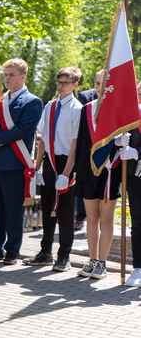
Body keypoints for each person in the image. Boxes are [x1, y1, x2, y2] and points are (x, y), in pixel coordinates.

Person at [0, 58, 43, 264]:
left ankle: (12, 251)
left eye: (12, 75)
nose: (7, 79)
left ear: (23, 76)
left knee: (13, 209)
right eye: (5, 75)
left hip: (13, 162)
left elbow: (23, 130)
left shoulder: (32, 101)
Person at [23, 67, 82, 272]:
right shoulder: (50, 105)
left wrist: (66, 174)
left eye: (65, 82)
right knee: (48, 209)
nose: (60, 86)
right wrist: (37, 167)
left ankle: (64, 256)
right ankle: (45, 252)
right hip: (50, 162)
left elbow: (75, 144)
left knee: (65, 212)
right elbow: (43, 140)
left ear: (75, 85)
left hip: (66, 163)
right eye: (59, 82)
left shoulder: (77, 108)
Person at [74, 69, 120, 280]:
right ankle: (92, 260)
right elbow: (82, 140)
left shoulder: (120, 111)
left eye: (105, 83)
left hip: (111, 170)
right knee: (91, 217)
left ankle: (103, 263)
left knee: (106, 219)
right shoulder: (86, 109)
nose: (100, 87)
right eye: (97, 83)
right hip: (87, 169)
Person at [75, 76, 100, 231]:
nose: (99, 87)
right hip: (87, 153)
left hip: (109, 162)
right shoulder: (86, 99)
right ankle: (79, 217)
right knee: (84, 188)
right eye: (97, 83)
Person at [122, 86, 141, 287]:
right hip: (135, 178)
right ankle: (139, 267)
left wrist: (137, 153)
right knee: (138, 223)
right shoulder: (131, 119)